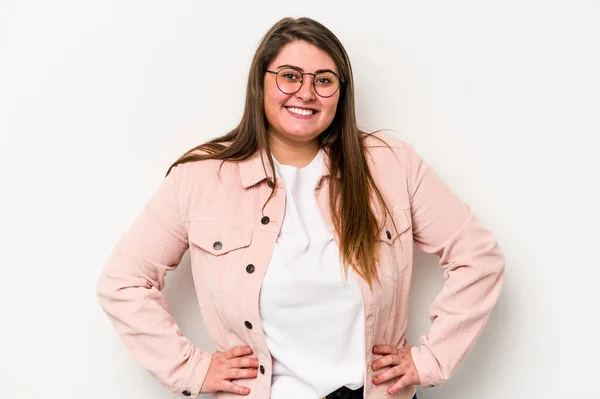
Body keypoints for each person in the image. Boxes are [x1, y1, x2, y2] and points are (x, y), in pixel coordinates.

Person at [96, 17, 505, 399]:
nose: (305, 93)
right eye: (290, 76)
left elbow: (478, 259)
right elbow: (124, 281)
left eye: (323, 80)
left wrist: (431, 359)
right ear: (261, 82)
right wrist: (190, 369)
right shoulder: (201, 177)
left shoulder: (392, 165)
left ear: (341, 92)